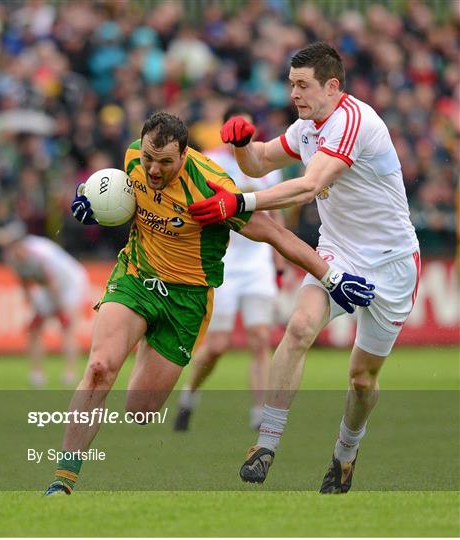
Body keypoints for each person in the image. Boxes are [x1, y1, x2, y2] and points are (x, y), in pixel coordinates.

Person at [44, 111, 374, 496]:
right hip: (136, 277)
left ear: (184, 155)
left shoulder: (212, 188)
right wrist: (87, 200)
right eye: (150, 157)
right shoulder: (133, 158)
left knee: (140, 410)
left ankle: (147, 339)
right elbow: (115, 194)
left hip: (187, 300)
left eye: (165, 162)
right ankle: (62, 481)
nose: (153, 169)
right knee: (100, 368)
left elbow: (272, 232)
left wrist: (331, 277)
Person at [189, 42, 420, 494]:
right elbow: (259, 161)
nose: (293, 93)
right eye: (291, 84)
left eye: (303, 85)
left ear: (332, 87)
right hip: (337, 253)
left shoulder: (354, 121)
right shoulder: (307, 126)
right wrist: (239, 146)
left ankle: (345, 453)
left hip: (393, 265)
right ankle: (266, 444)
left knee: (361, 378)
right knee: (298, 327)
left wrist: (241, 201)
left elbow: (309, 185)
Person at [174, 104, 286, 432]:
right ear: (226, 131)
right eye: (238, 128)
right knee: (218, 346)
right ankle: (189, 395)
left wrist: (279, 264)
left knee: (260, 337)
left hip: (257, 263)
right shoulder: (209, 163)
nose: (244, 136)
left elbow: (275, 216)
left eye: (248, 129)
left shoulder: (267, 166)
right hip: (223, 262)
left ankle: (258, 414)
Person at [0, 221, 89, 386]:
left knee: (68, 327)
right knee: (34, 329)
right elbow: (24, 280)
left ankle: (70, 373)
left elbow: (54, 284)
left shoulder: (40, 254)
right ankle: (37, 373)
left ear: (20, 242)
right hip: (48, 287)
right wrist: (33, 305)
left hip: (70, 283)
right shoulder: (10, 257)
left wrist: (62, 311)